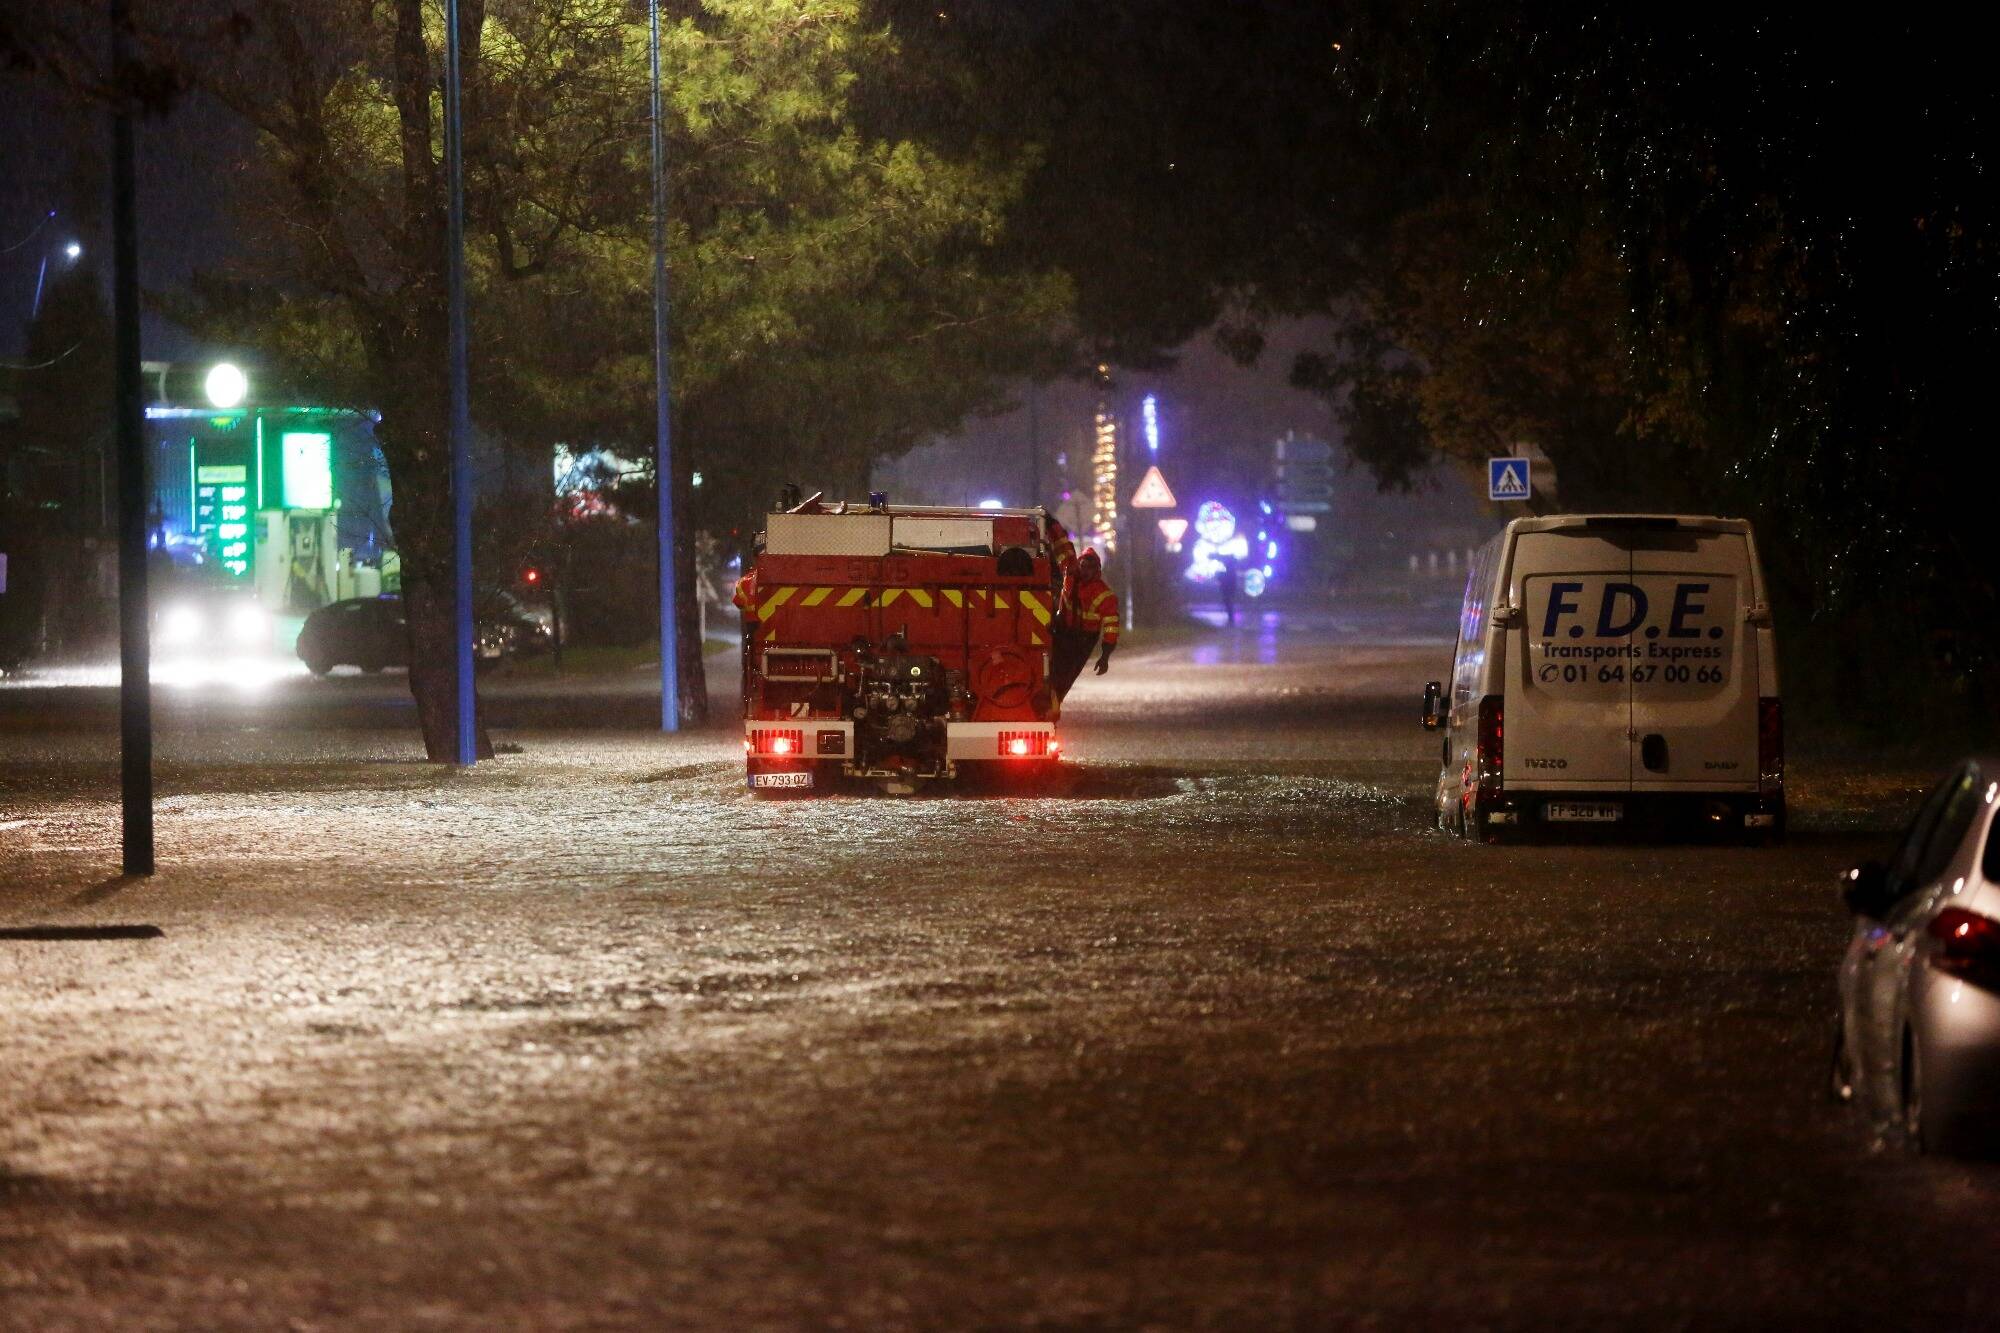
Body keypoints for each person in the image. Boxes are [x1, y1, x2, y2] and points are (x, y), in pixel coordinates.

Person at [1050, 546, 1120, 700]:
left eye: (1090, 567)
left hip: (1084, 640)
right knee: (1051, 669)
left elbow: (1111, 627)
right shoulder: (1070, 579)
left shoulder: (1105, 595)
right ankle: (1050, 699)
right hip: (1062, 631)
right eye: (1083, 566)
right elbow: (1062, 555)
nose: (1085, 571)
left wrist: (1105, 655)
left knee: (1067, 675)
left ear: (1097, 570)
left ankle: (1054, 700)